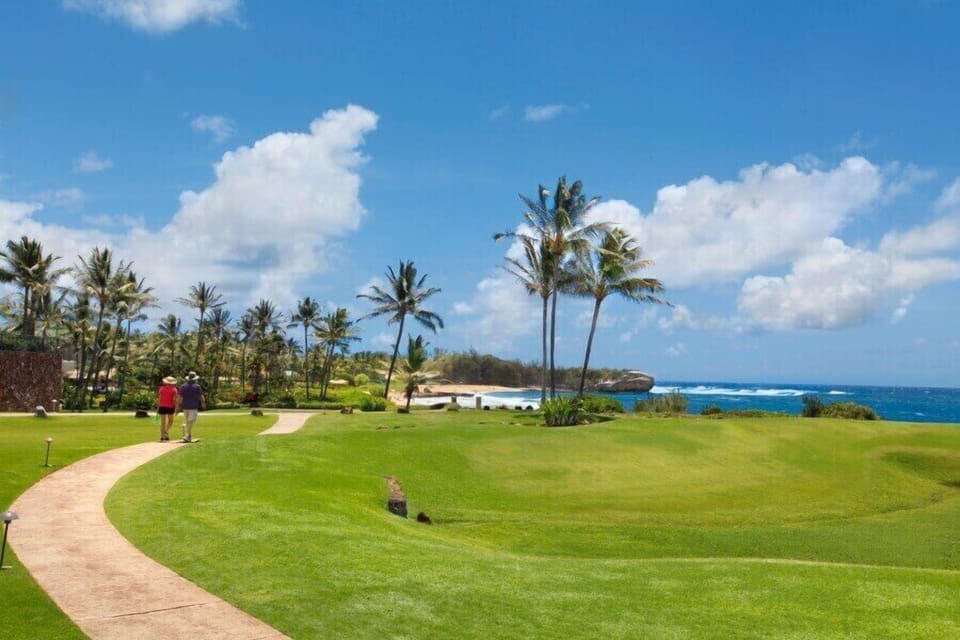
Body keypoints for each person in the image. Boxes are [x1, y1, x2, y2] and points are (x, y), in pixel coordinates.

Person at [176, 371, 205, 443]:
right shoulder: (197, 386)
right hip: (193, 406)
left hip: (185, 406)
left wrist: (178, 406)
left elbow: (180, 397)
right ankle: (187, 436)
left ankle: (189, 435)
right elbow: (201, 396)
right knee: (190, 422)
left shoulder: (183, 386)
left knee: (188, 421)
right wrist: (203, 403)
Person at [156, 375, 180, 442]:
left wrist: (158, 407)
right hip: (170, 407)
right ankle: (166, 431)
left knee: (163, 423)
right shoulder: (174, 389)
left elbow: (159, 399)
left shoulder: (162, 389)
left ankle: (162, 436)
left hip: (162, 406)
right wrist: (177, 408)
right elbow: (175, 400)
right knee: (171, 421)